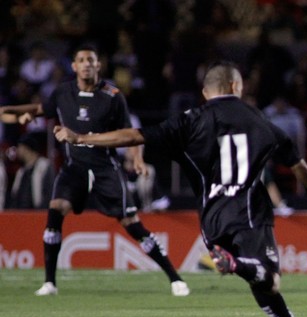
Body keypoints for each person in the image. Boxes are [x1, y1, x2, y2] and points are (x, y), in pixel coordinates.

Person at [53, 61, 307, 317]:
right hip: (249, 211)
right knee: (270, 280)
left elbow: (134, 135)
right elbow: (298, 164)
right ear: (236, 87)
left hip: (211, 221)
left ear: (205, 92)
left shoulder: (189, 121)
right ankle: (239, 266)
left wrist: (83, 138)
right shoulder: (260, 120)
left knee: (261, 283)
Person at [0, 44, 189, 297]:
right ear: (74, 66)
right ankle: (49, 283)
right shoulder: (62, 93)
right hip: (74, 168)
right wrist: (10, 114)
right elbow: (35, 112)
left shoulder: (112, 96)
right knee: (55, 210)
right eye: (82, 60)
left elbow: (130, 133)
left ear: (98, 65)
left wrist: (137, 158)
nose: (87, 63)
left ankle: (175, 278)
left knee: (131, 223)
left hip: (105, 168)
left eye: (91, 59)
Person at [8, 133, 55, 209]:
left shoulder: (44, 166)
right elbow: (15, 196)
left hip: (39, 214)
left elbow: (50, 192)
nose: (18, 150)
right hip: (21, 215)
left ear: (27, 149)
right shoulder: (21, 172)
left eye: (20, 147)